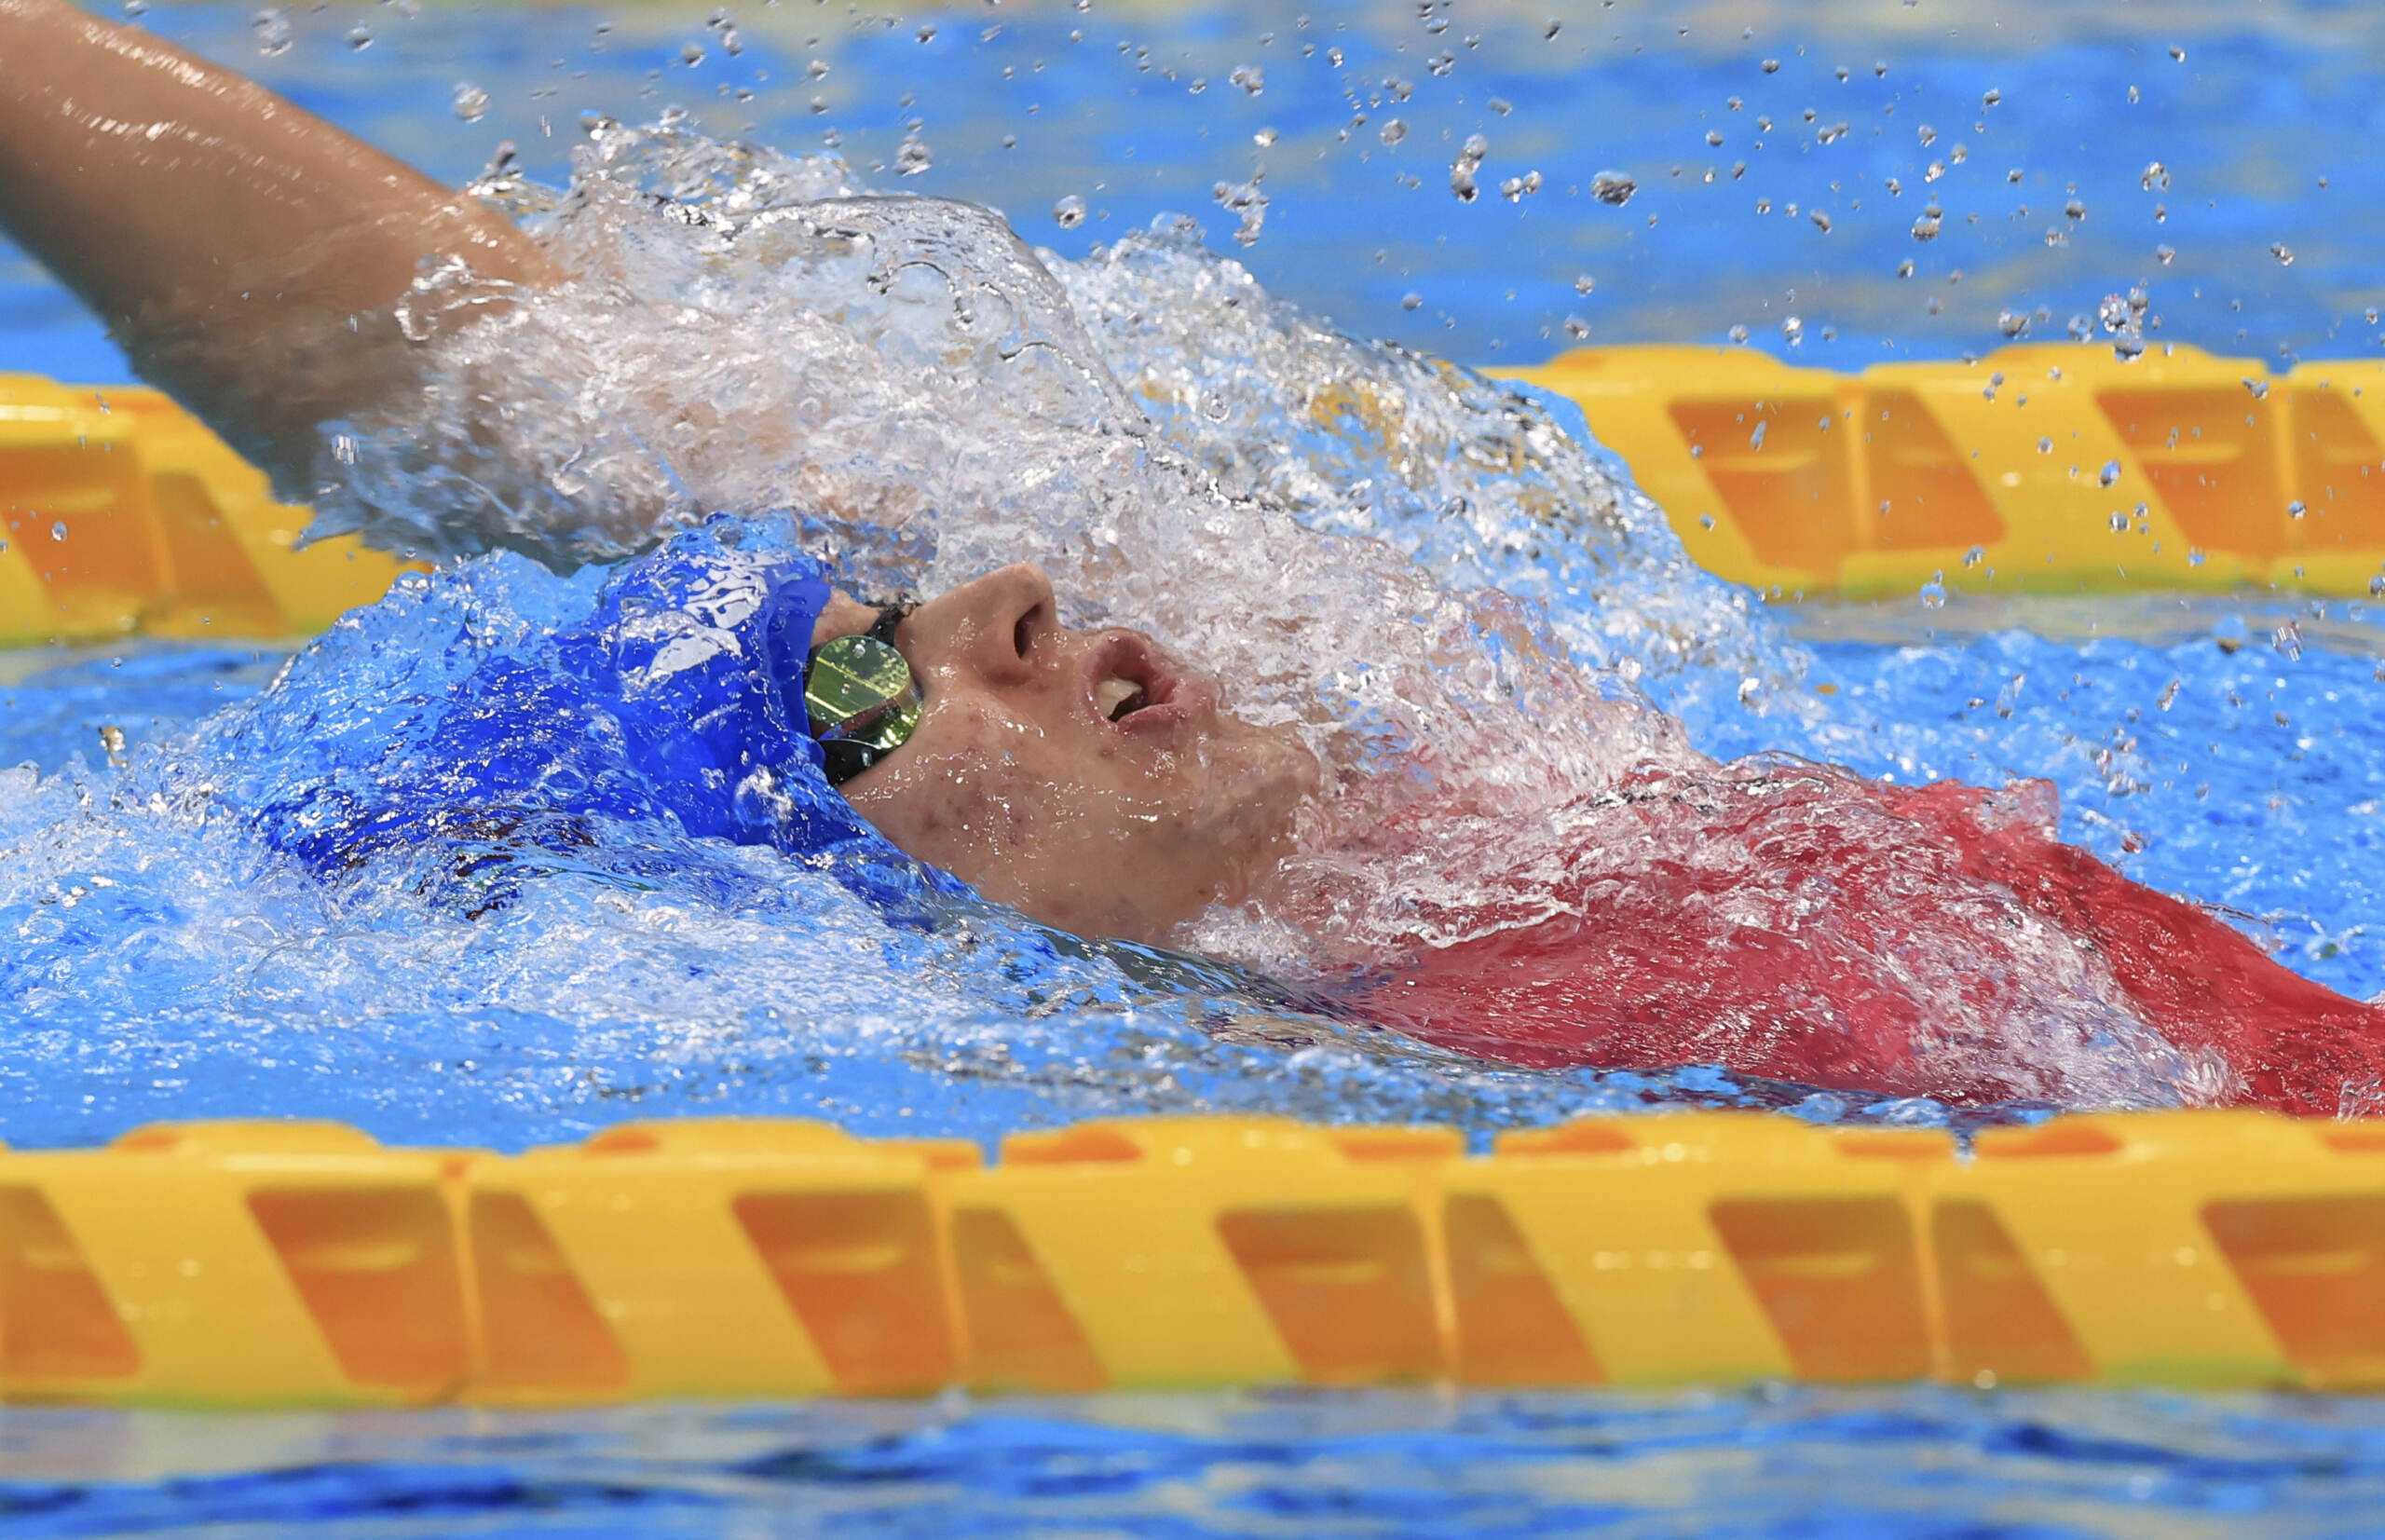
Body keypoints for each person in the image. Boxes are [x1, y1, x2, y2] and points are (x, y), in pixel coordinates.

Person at [6, 0, 2381, 1117]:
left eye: (903, 584)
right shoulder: (1428, 1073)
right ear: (826, 922)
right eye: (856, 695)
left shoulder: (1453, 759)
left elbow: (503, 386)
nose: (988, 597)